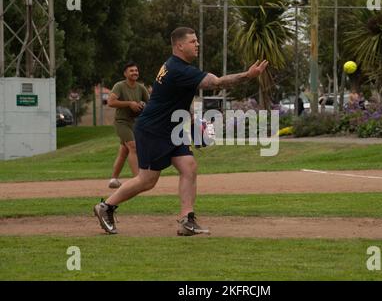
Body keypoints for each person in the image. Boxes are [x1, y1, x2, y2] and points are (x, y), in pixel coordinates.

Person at [94, 27, 268, 235]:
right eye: (193, 41)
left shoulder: (175, 66)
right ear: (179, 45)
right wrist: (248, 75)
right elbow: (217, 82)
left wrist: (193, 119)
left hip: (171, 128)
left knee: (189, 166)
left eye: (197, 41)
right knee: (147, 180)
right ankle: (106, 206)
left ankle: (187, 220)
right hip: (153, 130)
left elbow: (179, 96)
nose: (197, 45)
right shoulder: (179, 69)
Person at [107, 61, 149, 189]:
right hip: (122, 122)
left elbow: (151, 104)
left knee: (124, 151)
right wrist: (130, 103)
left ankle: (113, 179)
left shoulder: (141, 88)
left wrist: (143, 106)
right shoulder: (119, 86)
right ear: (125, 73)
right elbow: (111, 102)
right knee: (133, 147)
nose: (135, 73)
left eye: (136, 70)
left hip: (135, 123)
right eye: (131, 70)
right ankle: (138, 179)